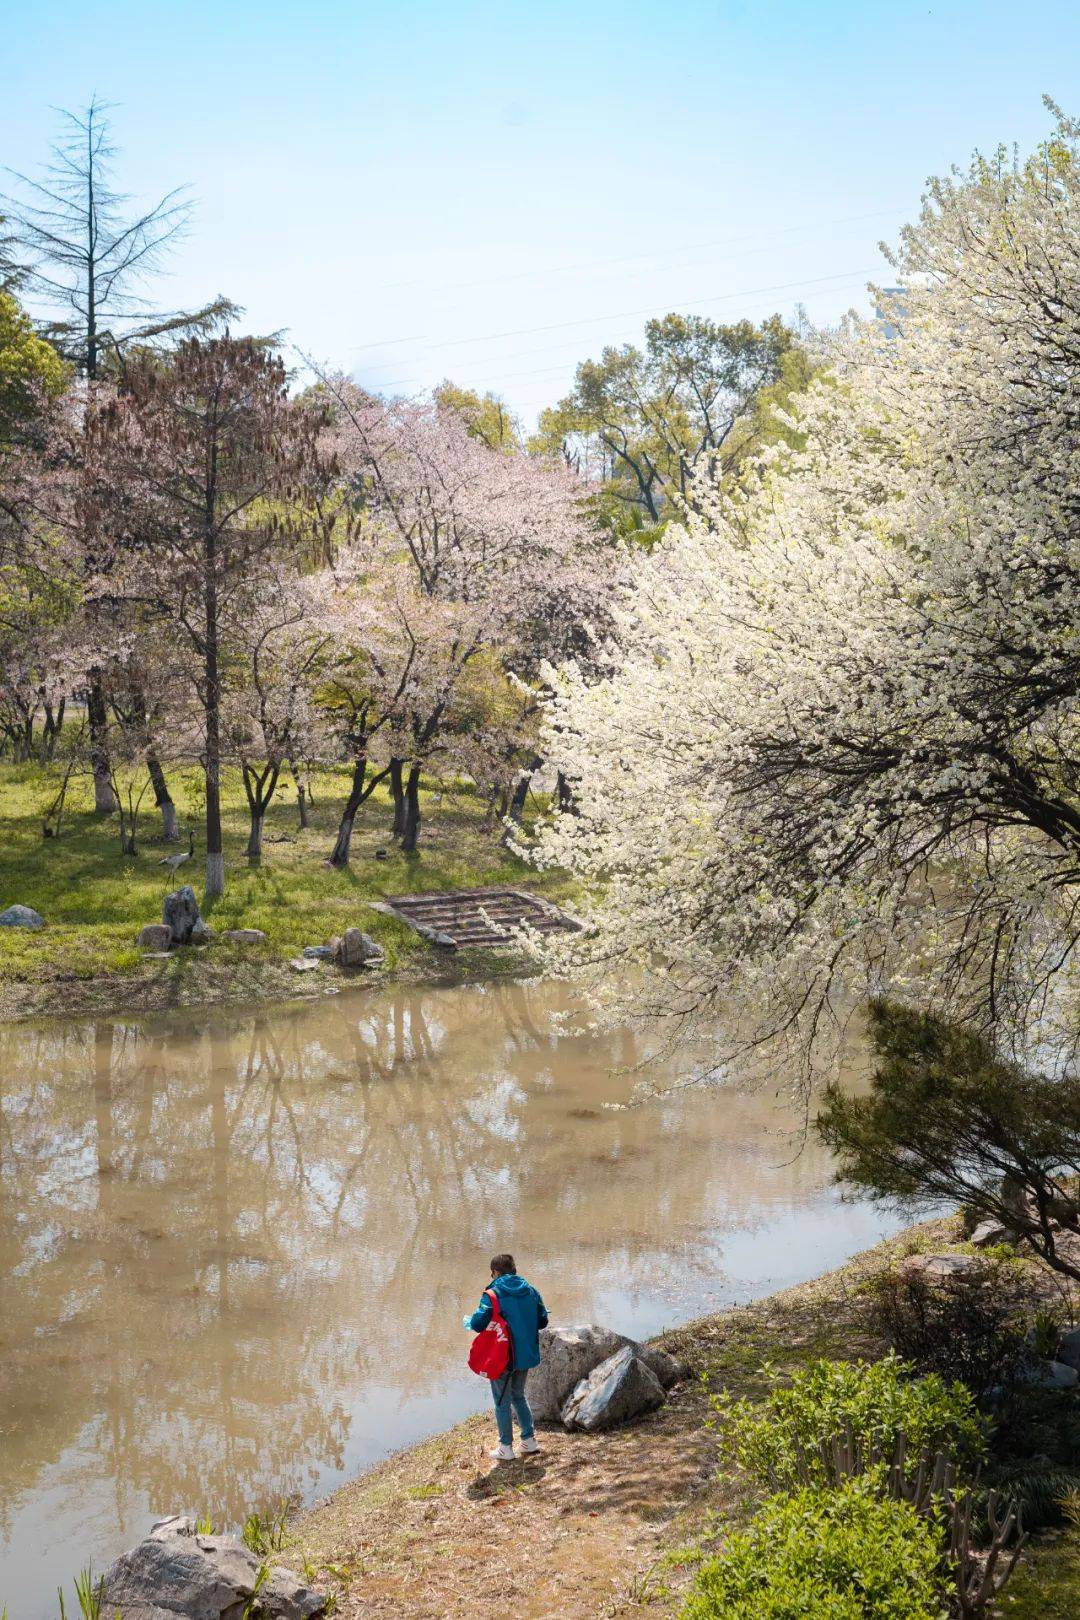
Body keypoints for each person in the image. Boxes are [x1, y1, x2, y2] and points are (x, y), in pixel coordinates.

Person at [464, 1252, 549, 1460]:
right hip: (525, 1354)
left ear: (495, 1272)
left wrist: (469, 1321)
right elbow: (543, 1321)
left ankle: (505, 1448)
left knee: (502, 1400)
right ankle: (529, 1441)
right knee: (519, 1396)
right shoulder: (531, 1290)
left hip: (501, 1355)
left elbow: (477, 1324)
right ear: (514, 1269)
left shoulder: (492, 1294)